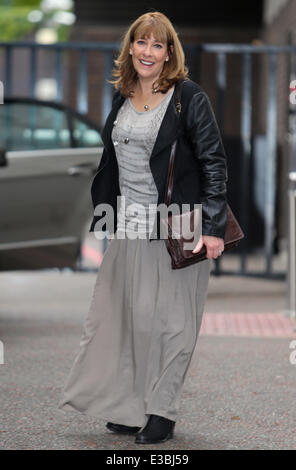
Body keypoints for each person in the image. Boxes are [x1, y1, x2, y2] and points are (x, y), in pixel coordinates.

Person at [58, 11, 227, 445]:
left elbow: (213, 163)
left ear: (169, 53)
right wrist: (106, 215)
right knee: (132, 320)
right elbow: (113, 164)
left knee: (175, 324)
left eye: (158, 45)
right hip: (129, 223)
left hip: (181, 223)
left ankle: (162, 412)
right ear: (129, 47)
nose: (148, 52)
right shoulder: (124, 94)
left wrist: (212, 227)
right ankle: (134, 408)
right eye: (141, 42)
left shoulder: (188, 97)